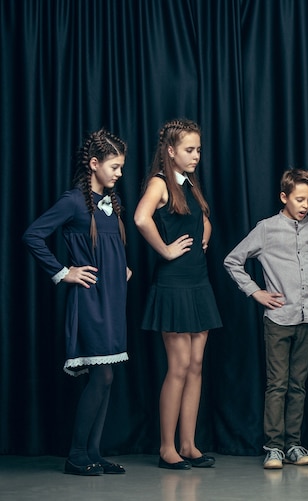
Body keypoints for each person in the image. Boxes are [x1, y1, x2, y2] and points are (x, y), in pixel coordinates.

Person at [23, 129, 131, 476]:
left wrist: (121, 267)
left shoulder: (111, 203)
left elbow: (107, 245)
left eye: (121, 168)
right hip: (90, 301)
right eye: (114, 167)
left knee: (108, 376)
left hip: (112, 298)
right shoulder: (72, 201)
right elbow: (33, 235)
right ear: (94, 163)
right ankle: (77, 454)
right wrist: (63, 271)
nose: (118, 174)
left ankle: (94, 454)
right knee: (101, 376)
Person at [223, 168, 308, 469]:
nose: (305, 205)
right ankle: (273, 446)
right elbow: (233, 261)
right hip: (278, 318)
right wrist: (255, 292)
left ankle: (294, 445)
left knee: (298, 385)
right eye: (299, 199)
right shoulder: (266, 229)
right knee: (278, 384)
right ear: (284, 197)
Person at [134, 119, 222, 470]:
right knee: (180, 365)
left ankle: (188, 444)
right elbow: (142, 218)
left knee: (197, 365)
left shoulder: (190, 184)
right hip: (173, 283)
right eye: (189, 149)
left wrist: (206, 231)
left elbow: (201, 218)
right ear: (170, 151)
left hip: (198, 281)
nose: (196, 155)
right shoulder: (160, 182)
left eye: (198, 149)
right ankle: (166, 447)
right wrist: (166, 250)